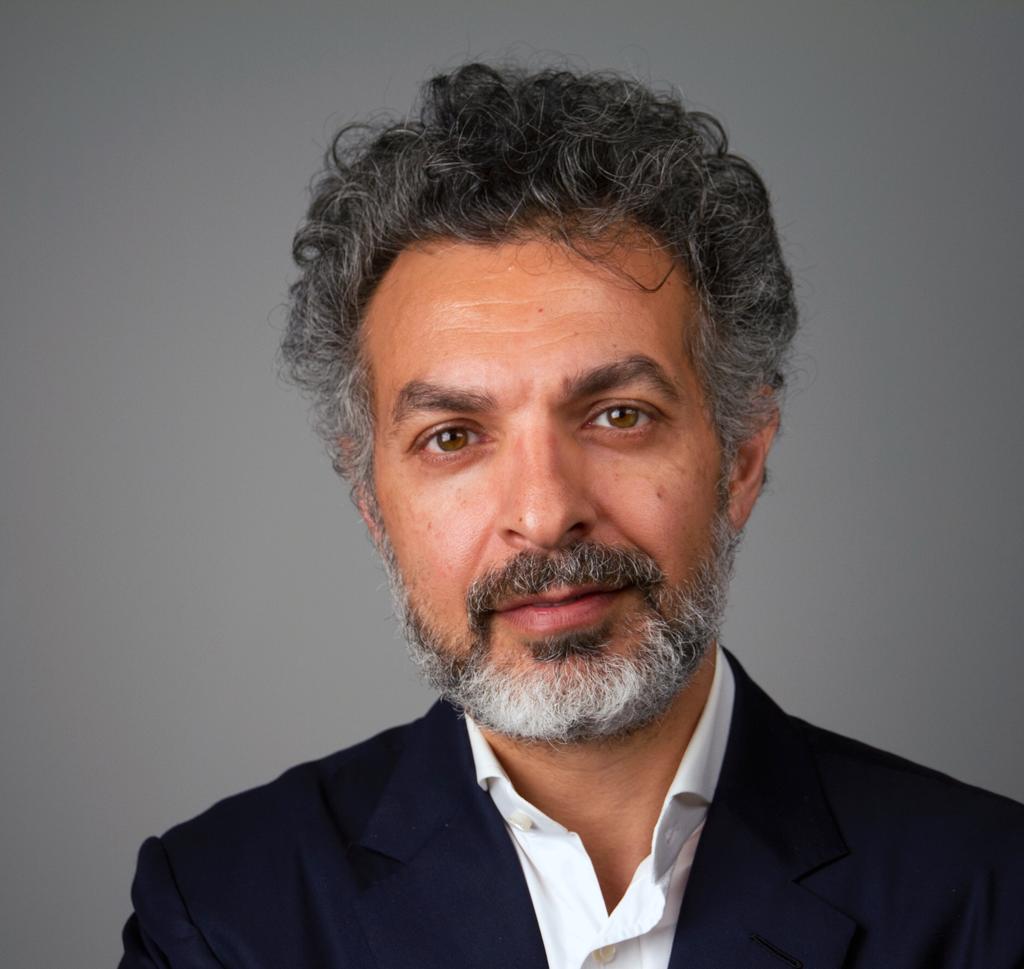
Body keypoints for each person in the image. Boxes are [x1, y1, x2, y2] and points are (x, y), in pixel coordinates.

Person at [119, 63, 1024, 969]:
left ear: (742, 456)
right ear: (372, 502)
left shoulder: (993, 896)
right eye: (452, 436)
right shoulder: (220, 917)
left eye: (618, 416)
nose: (546, 514)